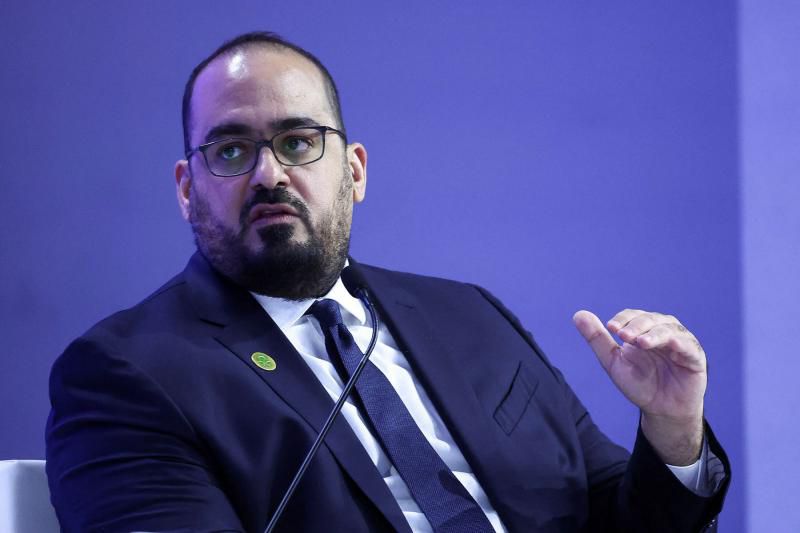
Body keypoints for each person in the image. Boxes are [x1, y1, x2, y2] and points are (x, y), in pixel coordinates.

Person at [45, 31, 729, 533]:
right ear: (187, 189)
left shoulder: (468, 316)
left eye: (298, 142)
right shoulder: (126, 373)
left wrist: (673, 429)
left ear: (355, 171)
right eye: (230, 150)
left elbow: (624, 523)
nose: (269, 174)